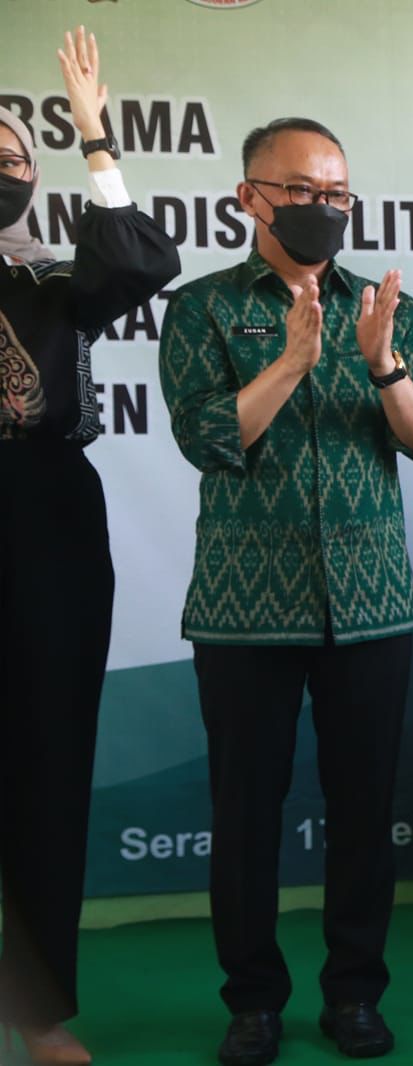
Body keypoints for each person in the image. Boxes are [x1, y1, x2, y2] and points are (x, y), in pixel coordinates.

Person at [158, 117, 413, 1066]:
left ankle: (354, 995)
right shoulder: (203, 309)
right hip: (245, 611)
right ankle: (252, 1001)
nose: (324, 211)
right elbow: (211, 438)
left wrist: (380, 361)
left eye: (338, 196)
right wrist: (290, 357)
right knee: (246, 813)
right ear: (250, 196)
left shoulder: (388, 307)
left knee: (365, 810)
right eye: (302, 193)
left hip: (371, 605)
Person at [0, 27, 181, 1066]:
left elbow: (146, 258)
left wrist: (91, 138)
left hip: (47, 513)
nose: (7, 172)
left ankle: (36, 1011)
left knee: (44, 757)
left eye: (18, 159)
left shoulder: (56, 284)